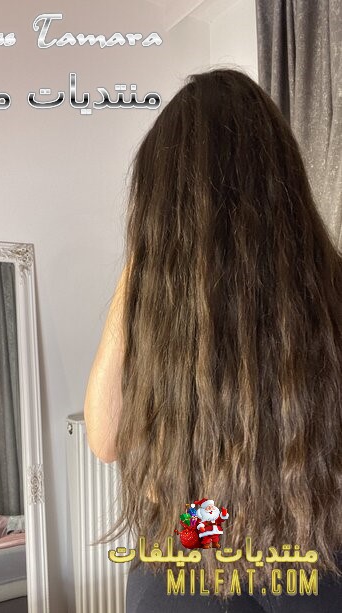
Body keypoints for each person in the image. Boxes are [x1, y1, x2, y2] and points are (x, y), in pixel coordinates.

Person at [84, 69, 342, 611]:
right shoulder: (166, 304)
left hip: (249, 524)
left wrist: (142, 255)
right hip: (290, 532)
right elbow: (106, 436)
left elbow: (106, 439)